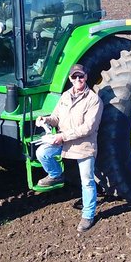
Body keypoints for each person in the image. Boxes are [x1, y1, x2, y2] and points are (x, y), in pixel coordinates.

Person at [35, 62, 103, 232]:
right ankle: (56, 174)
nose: (78, 79)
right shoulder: (65, 96)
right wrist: (46, 120)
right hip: (64, 142)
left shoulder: (94, 100)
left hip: (83, 145)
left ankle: (88, 216)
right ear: (71, 79)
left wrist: (62, 136)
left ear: (86, 77)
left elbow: (88, 128)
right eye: (75, 76)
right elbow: (56, 117)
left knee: (87, 181)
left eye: (81, 76)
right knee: (42, 152)